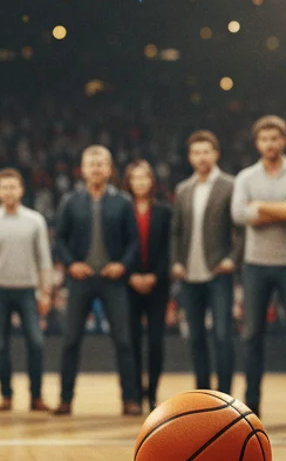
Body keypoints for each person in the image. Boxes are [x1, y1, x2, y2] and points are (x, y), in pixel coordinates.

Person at [231, 115, 286, 421]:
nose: (270, 144)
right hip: (255, 265)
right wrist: (285, 208)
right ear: (257, 143)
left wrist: (261, 208)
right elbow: (240, 214)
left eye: (275, 138)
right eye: (264, 139)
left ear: (285, 140)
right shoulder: (245, 177)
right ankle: (251, 406)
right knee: (251, 336)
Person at [53, 145, 141, 416]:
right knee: (70, 342)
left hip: (112, 279)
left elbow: (134, 242)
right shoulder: (71, 201)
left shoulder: (123, 201)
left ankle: (130, 399)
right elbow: (60, 239)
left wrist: (122, 265)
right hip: (81, 279)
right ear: (83, 169)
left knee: (124, 341)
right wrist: (71, 264)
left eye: (101, 164)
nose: (96, 169)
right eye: (91, 164)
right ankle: (65, 400)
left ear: (109, 168)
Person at [0, 168, 53, 413]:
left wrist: (46, 293)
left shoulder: (35, 220)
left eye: (13, 187)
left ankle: (36, 396)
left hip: (28, 291)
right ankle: (6, 396)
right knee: (0, 346)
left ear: (21, 190)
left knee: (37, 343)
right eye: (4, 187)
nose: (9, 191)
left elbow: (44, 260)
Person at [170, 131, 240, 397]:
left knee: (223, 337)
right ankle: (202, 396)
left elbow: (241, 230)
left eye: (206, 152)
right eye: (196, 152)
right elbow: (175, 231)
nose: (201, 157)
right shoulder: (183, 189)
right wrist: (176, 261)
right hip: (189, 275)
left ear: (216, 154)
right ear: (190, 157)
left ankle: (224, 397)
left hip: (218, 273)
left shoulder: (230, 185)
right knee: (196, 338)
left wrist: (232, 259)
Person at [124, 160, 172, 412]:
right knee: (131, 341)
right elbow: (118, 246)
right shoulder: (122, 209)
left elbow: (169, 249)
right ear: (129, 182)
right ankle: (133, 394)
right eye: (136, 178)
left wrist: (156, 275)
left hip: (157, 284)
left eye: (145, 177)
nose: (141, 182)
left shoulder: (164, 211)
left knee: (155, 341)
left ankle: (152, 393)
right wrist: (130, 275)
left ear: (152, 181)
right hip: (128, 284)